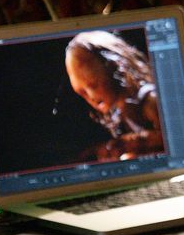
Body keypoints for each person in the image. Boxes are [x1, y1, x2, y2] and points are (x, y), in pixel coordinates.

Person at [64, 30, 164, 161]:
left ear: (114, 65)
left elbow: (176, 140)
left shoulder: (151, 101)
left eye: (93, 85)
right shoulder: (120, 113)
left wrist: (135, 145)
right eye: (81, 93)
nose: (92, 97)